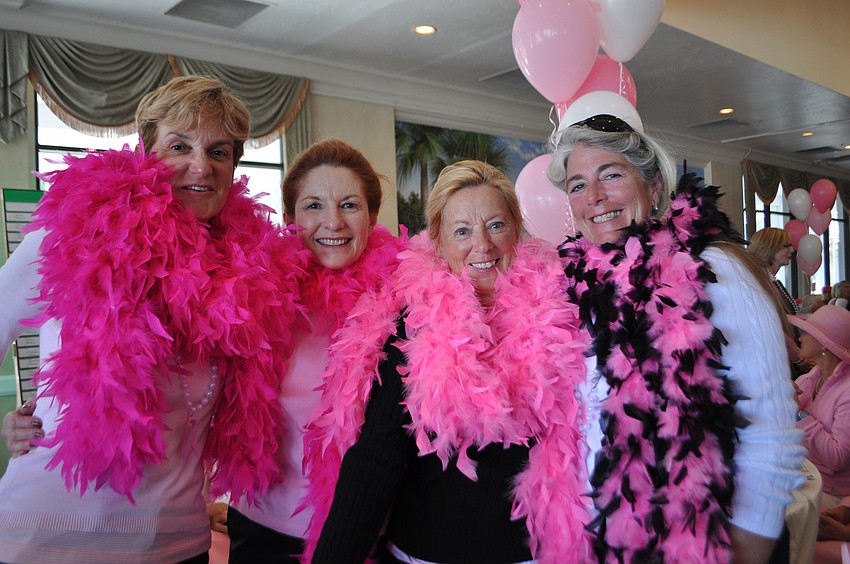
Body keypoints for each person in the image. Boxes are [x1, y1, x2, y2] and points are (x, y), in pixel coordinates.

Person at [0, 75, 301, 563]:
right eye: (179, 145)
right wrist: (8, 424)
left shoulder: (249, 273)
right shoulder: (70, 237)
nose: (200, 166)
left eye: (219, 152)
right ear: (146, 152)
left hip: (177, 542)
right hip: (46, 536)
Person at [303, 160, 592, 562]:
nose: (483, 246)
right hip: (424, 554)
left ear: (517, 231)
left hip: (535, 554)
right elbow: (377, 457)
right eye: (462, 231)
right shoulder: (412, 322)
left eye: (496, 225)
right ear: (438, 243)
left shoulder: (564, 310)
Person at [547, 114, 805, 563]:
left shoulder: (717, 271)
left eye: (611, 175)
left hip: (707, 543)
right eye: (577, 185)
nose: (595, 197)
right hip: (610, 539)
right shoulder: (581, 289)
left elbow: (771, 444)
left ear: (653, 184)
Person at [224, 138, 406, 562]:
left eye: (349, 205)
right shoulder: (257, 292)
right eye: (313, 206)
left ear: (373, 216)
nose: (332, 222)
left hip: (368, 532)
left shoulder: (407, 299)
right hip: (265, 526)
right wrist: (37, 423)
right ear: (289, 219)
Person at [791, 305, 850, 508]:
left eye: (806, 332)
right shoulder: (812, 377)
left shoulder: (847, 390)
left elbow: (838, 457)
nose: (800, 338)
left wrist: (799, 414)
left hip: (828, 491)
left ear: (824, 344)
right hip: (803, 475)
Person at [748, 227, 799, 314]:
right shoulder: (757, 283)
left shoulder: (771, 281)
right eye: (786, 246)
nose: (792, 250)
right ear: (769, 248)